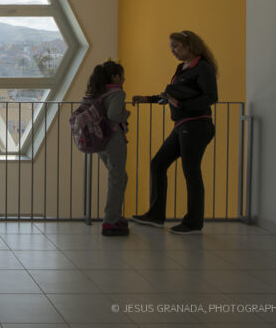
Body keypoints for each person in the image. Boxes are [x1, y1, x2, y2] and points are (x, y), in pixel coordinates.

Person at [131, 30, 218, 234]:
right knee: (158, 164)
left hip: (196, 125)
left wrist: (183, 105)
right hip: (183, 126)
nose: (172, 51)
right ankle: (156, 215)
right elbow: (171, 95)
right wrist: (148, 99)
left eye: (176, 47)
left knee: (191, 171)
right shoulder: (182, 68)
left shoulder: (202, 68)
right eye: (171, 47)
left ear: (189, 46)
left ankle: (193, 222)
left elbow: (211, 97)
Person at [86, 60, 130, 236]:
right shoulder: (118, 93)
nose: (124, 78)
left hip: (100, 141)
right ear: (116, 76)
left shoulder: (98, 93)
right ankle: (110, 221)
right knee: (117, 179)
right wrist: (126, 114)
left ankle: (114, 215)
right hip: (114, 139)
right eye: (123, 75)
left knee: (120, 177)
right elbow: (113, 115)